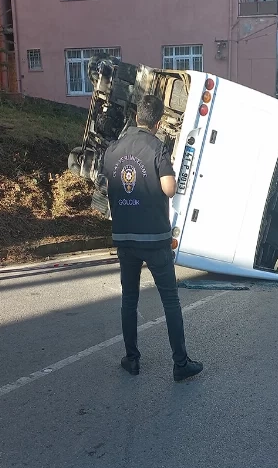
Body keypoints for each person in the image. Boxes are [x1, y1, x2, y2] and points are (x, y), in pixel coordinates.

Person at [99, 94, 203, 382]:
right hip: (154, 237)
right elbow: (169, 189)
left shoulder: (113, 149)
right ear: (157, 123)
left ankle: (132, 359)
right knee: (169, 299)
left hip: (124, 235)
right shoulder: (157, 147)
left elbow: (110, 187)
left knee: (129, 298)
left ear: (136, 118)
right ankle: (180, 363)